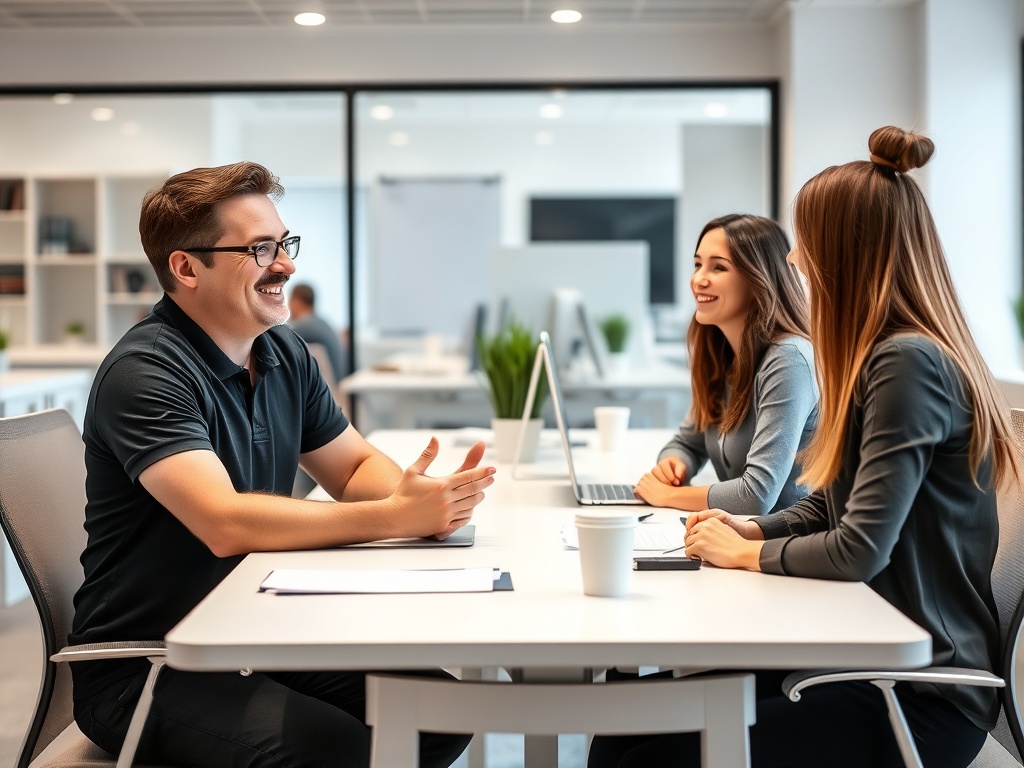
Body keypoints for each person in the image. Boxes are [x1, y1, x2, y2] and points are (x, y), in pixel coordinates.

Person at [590, 127, 1019, 768]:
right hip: (854, 652)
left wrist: (749, 553)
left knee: (638, 755)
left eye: (807, 242)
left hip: (910, 694)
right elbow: (829, 510)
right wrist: (749, 525)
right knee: (621, 725)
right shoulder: (877, 357)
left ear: (846, 253)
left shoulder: (907, 363)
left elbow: (858, 549)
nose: (794, 260)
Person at [69, 162, 494, 768]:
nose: (287, 265)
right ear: (186, 268)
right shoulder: (145, 373)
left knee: (436, 714)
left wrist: (418, 499)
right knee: (329, 750)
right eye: (260, 248)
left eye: (284, 243)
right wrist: (394, 517)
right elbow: (226, 524)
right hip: (153, 661)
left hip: (254, 627)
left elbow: (349, 469)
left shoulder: (280, 349)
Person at [634, 213, 817, 515]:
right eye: (697, 264)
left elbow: (756, 495)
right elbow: (688, 443)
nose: (698, 279)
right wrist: (674, 464)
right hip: (737, 541)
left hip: (785, 547)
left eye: (718, 267)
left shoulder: (789, 359)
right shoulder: (722, 353)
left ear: (758, 277)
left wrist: (667, 495)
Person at [288, 282, 349, 382]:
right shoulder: (321, 322)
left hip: (331, 390)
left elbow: (278, 343)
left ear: (298, 302)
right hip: (339, 385)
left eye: (290, 300)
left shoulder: (305, 326)